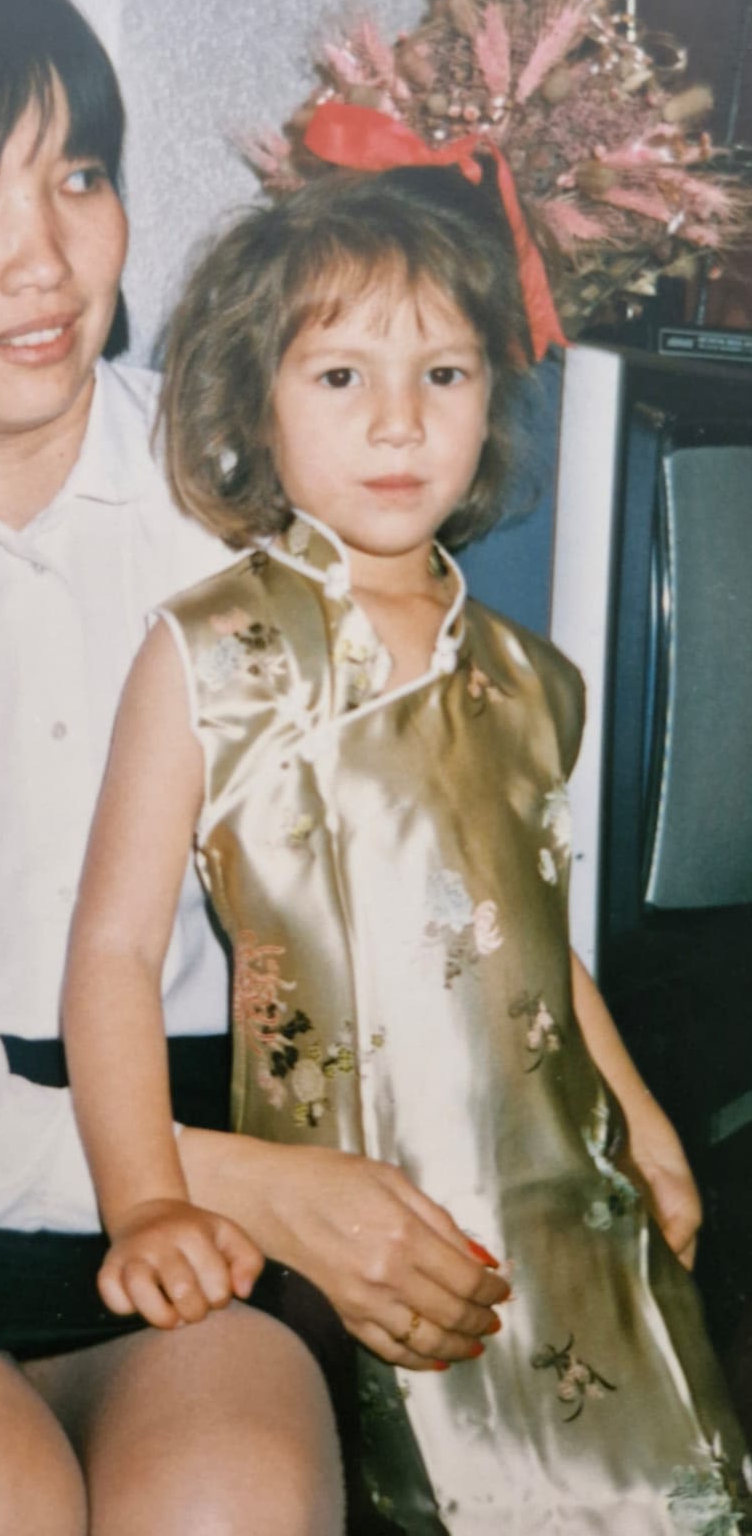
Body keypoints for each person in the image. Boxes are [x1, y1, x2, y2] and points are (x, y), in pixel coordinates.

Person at [0, 0, 510, 1535]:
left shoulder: (253, 491)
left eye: (76, 177)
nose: (42, 258)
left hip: (222, 1162)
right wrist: (232, 1180)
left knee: (222, 1495)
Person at [62, 159, 752, 1531]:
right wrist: (147, 1202)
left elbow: (538, 950)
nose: (398, 422)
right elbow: (115, 950)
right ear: (254, 408)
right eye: (340, 379)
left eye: (443, 376)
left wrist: (654, 1126)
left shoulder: (533, 676)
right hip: (369, 1233)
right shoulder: (212, 653)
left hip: (578, 1211)